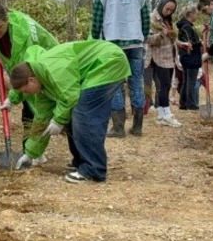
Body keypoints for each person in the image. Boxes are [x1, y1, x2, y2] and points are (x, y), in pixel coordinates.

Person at [8, 40, 130, 184]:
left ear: (32, 80)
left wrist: (58, 120)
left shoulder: (53, 70)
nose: (27, 94)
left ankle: (93, 170)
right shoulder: (43, 86)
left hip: (107, 62)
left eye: (25, 90)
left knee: (83, 113)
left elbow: (70, 96)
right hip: (100, 66)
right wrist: (29, 154)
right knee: (72, 115)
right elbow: (41, 119)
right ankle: (81, 161)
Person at [0, 3, 60, 164]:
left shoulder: (23, 32)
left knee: (38, 110)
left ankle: (34, 153)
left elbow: (27, 66)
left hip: (46, 67)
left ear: (7, 20)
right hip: (27, 71)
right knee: (28, 111)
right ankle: (31, 152)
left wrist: (12, 96)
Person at [91, 0, 150, 137]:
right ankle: (138, 127)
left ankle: (118, 127)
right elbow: (145, 16)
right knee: (136, 83)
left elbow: (98, 17)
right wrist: (143, 36)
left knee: (115, 84)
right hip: (135, 42)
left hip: (113, 42)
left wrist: (95, 39)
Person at [145, 0, 190, 127]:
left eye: (171, 10)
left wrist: (182, 44)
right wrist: (161, 34)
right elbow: (147, 39)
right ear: (161, 5)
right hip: (158, 57)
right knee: (164, 86)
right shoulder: (151, 19)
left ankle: (162, 115)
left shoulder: (168, 20)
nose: (168, 11)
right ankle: (166, 114)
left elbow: (172, 38)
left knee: (166, 85)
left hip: (170, 56)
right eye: (167, 8)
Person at [176, 6, 203, 110]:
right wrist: (200, 42)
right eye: (196, 14)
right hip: (191, 57)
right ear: (190, 14)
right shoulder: (187, 27)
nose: (197, 16)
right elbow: (190, 42)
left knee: (186, 80)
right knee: (191, 81)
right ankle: (191, 104)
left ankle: (183, 103)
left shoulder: (184, 26)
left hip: (185, 57)